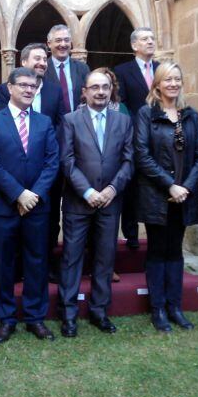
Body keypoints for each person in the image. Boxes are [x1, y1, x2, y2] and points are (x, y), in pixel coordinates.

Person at [0, 67, 60, 344]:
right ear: (10, 88)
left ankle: (35, 318)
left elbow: (52, 162)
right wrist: (18, 194)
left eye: (33, 86)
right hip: (4, 206)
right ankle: (6, 319)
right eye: (23, 85)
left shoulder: (44, 122)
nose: (29, 89)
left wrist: (34, 194)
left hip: (37, 207)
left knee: (36, 262)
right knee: (3, 263)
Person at [58, 70, 133, 337]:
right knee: (72, 259)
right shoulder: (70, 121)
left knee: (104, 258)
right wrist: (88, 191)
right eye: (95, 87)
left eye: (105, 87)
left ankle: (99, 311)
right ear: (84, 92)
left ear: (111, 89)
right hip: (79, 202)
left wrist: (113, 188)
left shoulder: (123, 121)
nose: (100, 92)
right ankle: (68, 314)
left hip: (111, 202)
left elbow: (128, 161)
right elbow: (66, 161)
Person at [134, 62, 198, 333]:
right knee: (157, 251)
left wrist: (185, 187)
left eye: (177, 79)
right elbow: (142, 155)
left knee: (175, 252)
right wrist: (169, 186)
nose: (173, 84)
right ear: (157, 84)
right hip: (157, 195)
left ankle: (175, 307)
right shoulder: (146, 114)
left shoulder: (190, 115)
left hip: (184, 196)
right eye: (168, 80)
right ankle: (158, 309)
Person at [43, 25, 90, 272]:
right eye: (57, 40)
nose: (63, 44)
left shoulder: (82, 69)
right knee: (50, 209)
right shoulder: (42, 70)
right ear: (48, 44)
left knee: (79, 205)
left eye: (66, 40)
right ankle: (49, 260)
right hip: (50, 144)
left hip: (80, 145)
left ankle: (78, 260)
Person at [114, 27, 161, 249]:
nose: (150, 41)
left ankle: (156, 231)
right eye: (145, 39)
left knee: (155, 184)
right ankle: (131, 234)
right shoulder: (123, 70)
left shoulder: (162, 70)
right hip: (133, 136)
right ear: (134, 45)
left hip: (160, 138)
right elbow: (121, 104)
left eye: (152, 38)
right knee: (131, 187)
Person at [0, 43, 65, 129]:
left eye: (45, 59)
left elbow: (60, 125)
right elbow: (0, 122)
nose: (42, 63)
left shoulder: (55, 91)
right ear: (24, 62)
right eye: (37, 59)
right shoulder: (6, 89)